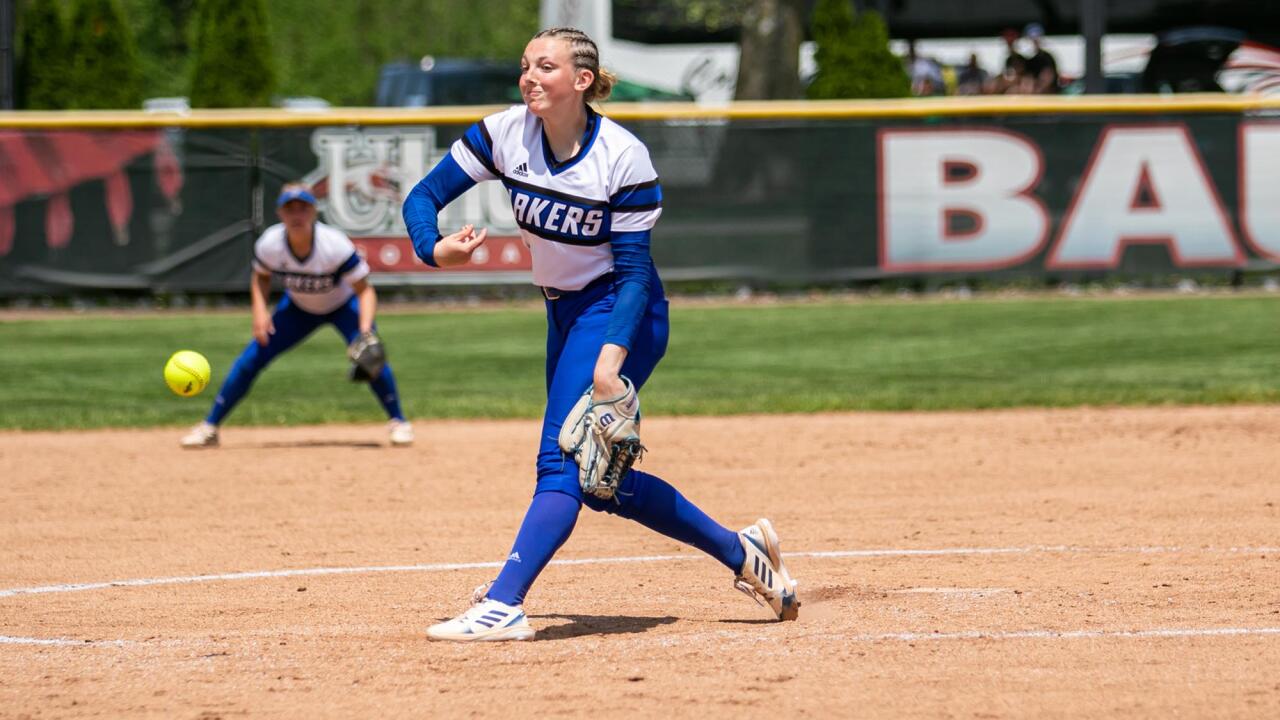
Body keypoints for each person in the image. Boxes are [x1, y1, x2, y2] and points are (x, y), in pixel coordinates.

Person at [402, 26, 800, 641]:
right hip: (564, 314)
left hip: (621, 313)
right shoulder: (506, 133)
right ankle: (741, 551)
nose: (530, 77)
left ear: (581, 81)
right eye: (526, 66)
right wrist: (433, 247)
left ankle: (504, 603)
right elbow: (424, 195)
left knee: (558, 465)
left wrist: (611, 361)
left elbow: (636, 274)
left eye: (546, 67)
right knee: (600, 484)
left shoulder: (621, 155)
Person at [181, 183, 414, 449]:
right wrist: (259, 312)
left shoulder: (334, 245)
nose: (296, 214)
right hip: (298, 309)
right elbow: (260, 277)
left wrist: (364, 330)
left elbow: (365, 291)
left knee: (371, 356)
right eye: (290, 208)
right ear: (280, 213)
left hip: (342, 306)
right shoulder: (270, 244)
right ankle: (210, 427)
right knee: (251, 358)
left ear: (314, 211)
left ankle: (399, 422)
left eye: (303, 207)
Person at [1023, 23, 1060, 94]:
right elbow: (1026, 78)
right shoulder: (1029, 59)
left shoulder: (1047, 57)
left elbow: (1048, 77)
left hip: (1046, 94)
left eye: (1036, 39)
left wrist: (1038, 90)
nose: (1034, 42)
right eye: (1032, 39)